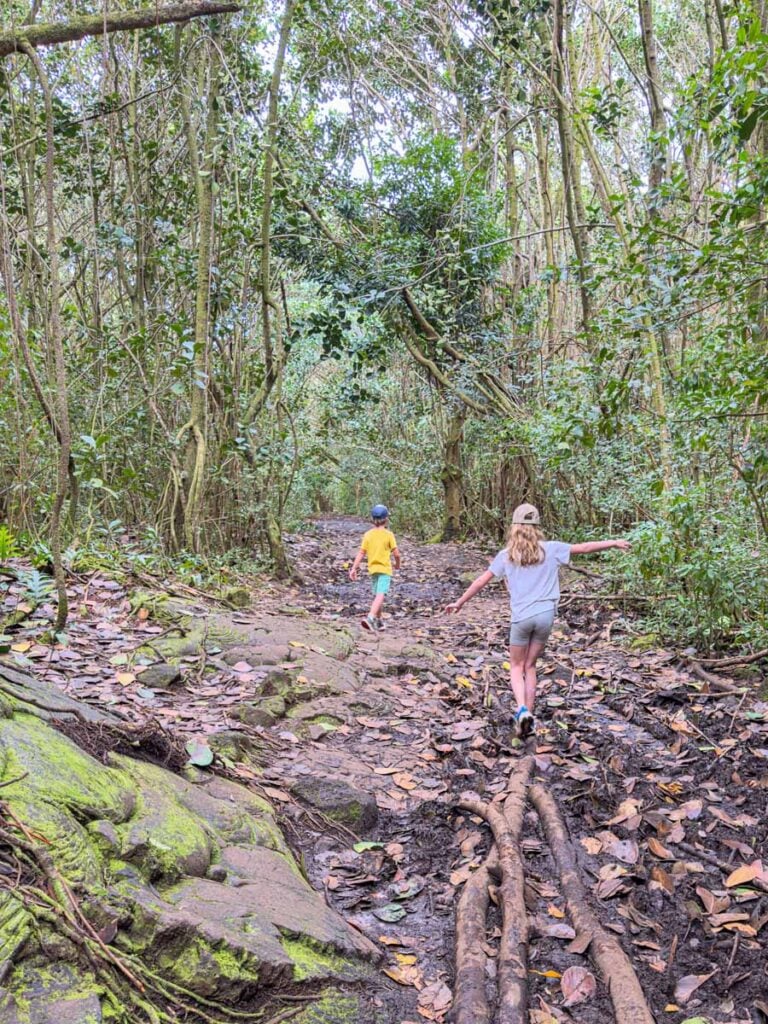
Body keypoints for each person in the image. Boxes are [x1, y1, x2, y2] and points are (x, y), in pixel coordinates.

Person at [444, 503, 631, 738]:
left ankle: (522, 710)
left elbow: (481, 581)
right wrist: (613, 542)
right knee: (530, 666)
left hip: (522, 618)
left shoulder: (506, 555)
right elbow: (584, 548)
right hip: (546, 617)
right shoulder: (550, 549)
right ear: (537, 527)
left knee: (516, 666)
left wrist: (459, 602)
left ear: (514, 527)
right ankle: (529, 716)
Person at [349, 504, 401, 632]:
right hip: (384, 569)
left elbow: (361, 552)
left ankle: (379, 621)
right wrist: (398, 564)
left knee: (378, 595)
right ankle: (371, 618)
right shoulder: (389, 535)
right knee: (380, 594)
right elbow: (396, 553)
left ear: (372, 519)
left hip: (373, 570)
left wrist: (354, 568)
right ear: (386, 519)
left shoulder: (368, 535)